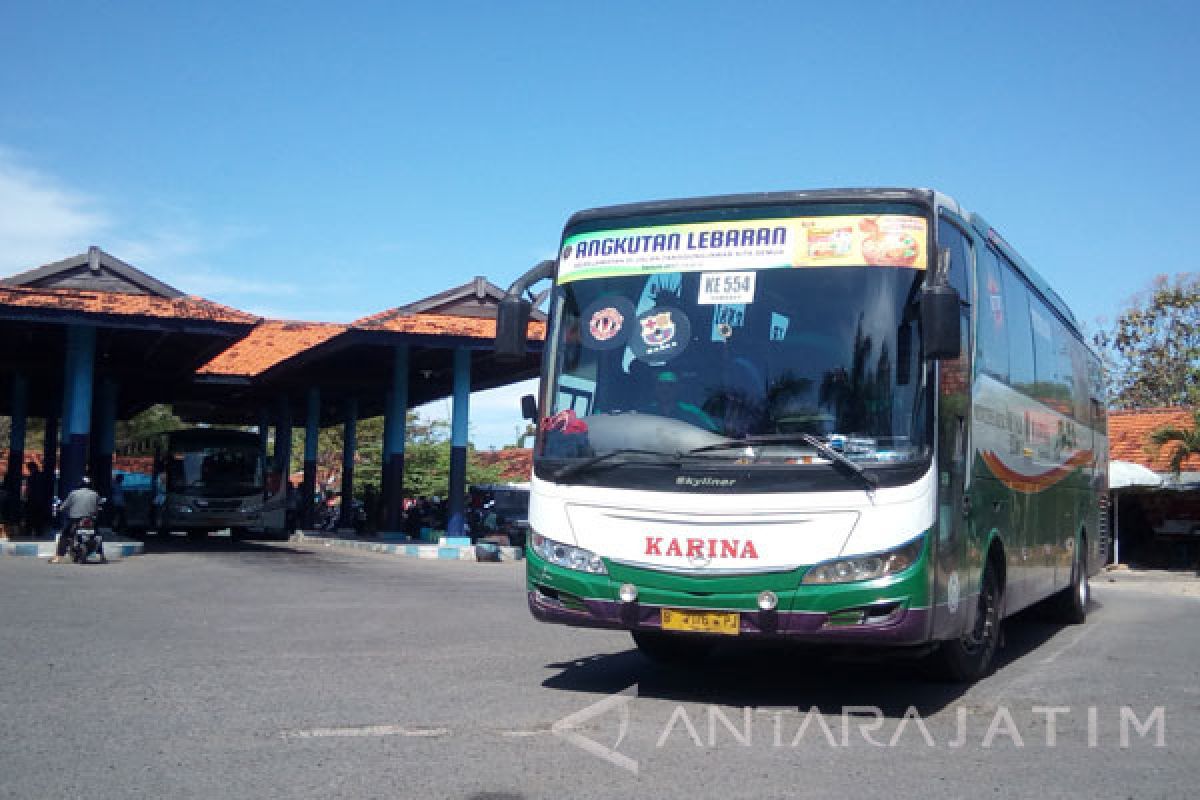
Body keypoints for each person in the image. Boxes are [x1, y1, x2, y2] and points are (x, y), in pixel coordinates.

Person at [50, 476, 105, 564]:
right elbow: (99, 508)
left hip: (75, 520)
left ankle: (58, 557)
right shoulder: (95, 494)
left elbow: (64, 506)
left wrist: (60, 508)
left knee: (64, 536)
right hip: (90, 520)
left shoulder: (73, 493)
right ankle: (101, 556)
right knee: (97, 535)